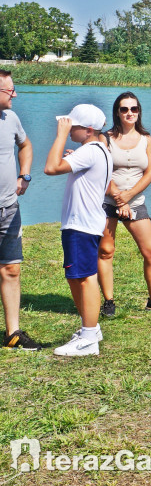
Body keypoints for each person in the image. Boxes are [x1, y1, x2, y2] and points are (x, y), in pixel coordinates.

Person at [97, 92, 151, 317]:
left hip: (135, 202)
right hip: (106, 201)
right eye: (124, 109)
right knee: (105, 251)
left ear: (139, 111)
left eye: (134, 109)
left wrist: (128, 197)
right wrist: (117, 198)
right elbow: (100, 170)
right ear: (117, 112)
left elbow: (149, 173)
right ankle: (109, 301)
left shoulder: (147, 139)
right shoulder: (105, 138)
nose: (129, 113)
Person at [44, 104, 113, 356]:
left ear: (89, 130)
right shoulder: (98, 150)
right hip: (85, 223)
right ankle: (90, 330)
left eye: (73, 126)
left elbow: (50, 168)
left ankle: (88, 337)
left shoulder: (91, 151)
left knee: (85, 278)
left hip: (81, 224)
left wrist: (60, 136)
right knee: (77, 276)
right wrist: (75, 153)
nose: (69, 128)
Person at [0, 70, 39, 351]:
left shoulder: (11, 119)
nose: (15, 94)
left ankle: (12, 333)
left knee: (11, 268)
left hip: (8, 208)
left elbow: (24, 145)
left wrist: (24, 175)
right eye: (9, 90)